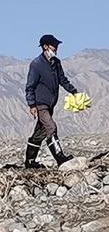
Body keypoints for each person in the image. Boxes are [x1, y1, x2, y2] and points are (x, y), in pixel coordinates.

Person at [24, 34, 79, 167]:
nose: (56, 49)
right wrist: (32, 104)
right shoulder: (36, 65)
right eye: (54, 46)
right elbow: (30, 86)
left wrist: (73, 91)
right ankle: (60, 159)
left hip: (50, 104)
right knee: (51, 127)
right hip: (40, 104)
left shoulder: (56, 62)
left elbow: (62, 80)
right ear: (45, 47)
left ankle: (30, 161)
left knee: (40, 133)